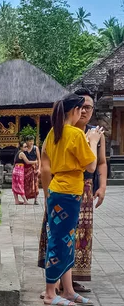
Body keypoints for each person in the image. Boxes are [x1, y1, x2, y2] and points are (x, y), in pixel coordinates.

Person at [38, 88, 107, 293]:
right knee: (62, 236)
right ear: (74, 110)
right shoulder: (67, 133)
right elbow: (47, 165)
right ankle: (54, 286)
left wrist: (101, 186)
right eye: (82, 107)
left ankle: (69, 285)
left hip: (79, 189)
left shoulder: (88, 132)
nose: (85, 111)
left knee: (75, 235)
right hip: (65, 190)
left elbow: (101, 164)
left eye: (89, 107)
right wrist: (45, 192)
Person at [23, 135, 40, 205]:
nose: (31, 142)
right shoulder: (24, 149)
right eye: (30, 141)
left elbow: (39, 159)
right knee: (26, 183)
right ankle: (26, 198)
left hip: (34, 167)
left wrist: (39, 168)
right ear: (26, 142)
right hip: (26, 168)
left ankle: (36, 199)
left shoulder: (35, 148)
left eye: (32, 141)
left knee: (35, 183)